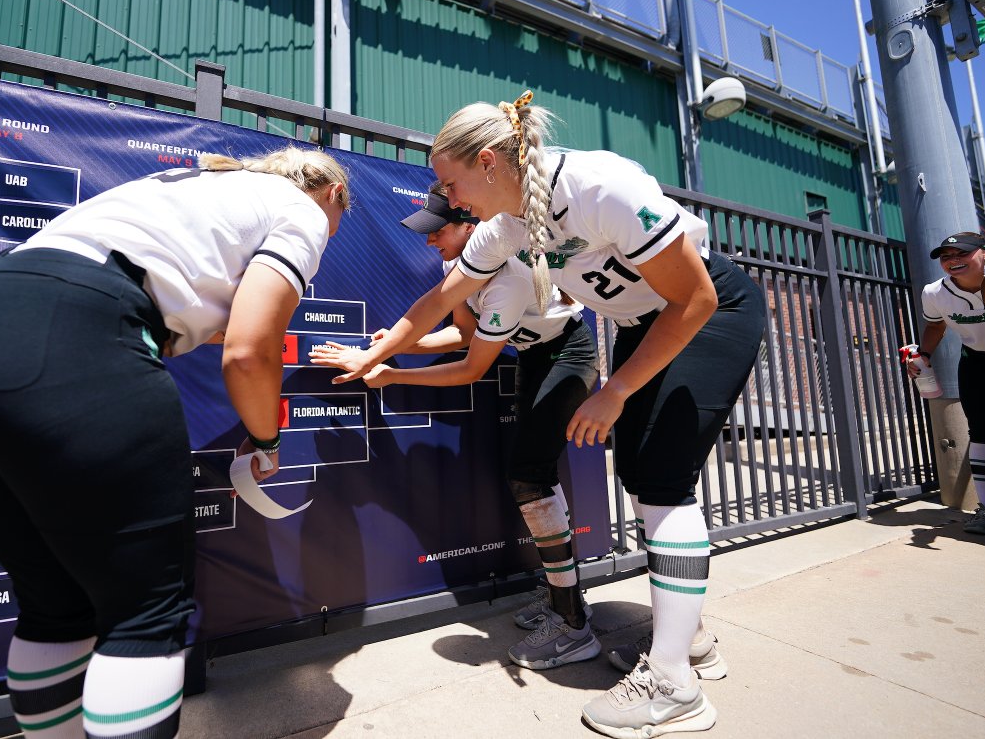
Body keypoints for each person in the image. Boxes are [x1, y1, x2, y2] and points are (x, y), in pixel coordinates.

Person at [311, 91, 765, 738]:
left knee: (662, 480)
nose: (447, 197)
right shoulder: (508, 229)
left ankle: (673, 686)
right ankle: (687, 640)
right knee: (641, 476)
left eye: (449, 183)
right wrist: (371, 353)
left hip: (708, 310)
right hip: (645, 323)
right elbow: (438, 303)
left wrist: (615, 391)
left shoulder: (595, 185)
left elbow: (695, 297)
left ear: (490, 161)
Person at [0, 148, 351, 738]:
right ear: (328, 195)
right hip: (75, 329)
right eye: (334, 226)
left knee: (56, 609)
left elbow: (193, 307)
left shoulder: (197, 188)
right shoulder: (305, 210)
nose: (329, 236)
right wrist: (266, 437)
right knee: (144, 616)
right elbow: (248, 349)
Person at [356, 184, 600, 669]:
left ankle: (574, 625)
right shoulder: (459, 266)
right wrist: (397, 345)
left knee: (529, 478)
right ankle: (561, 598)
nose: (429, 242)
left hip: (569, 354)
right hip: (535, 356)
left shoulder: (506, 276)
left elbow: (471, 368)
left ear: (471, 227)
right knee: (534, 478)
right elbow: (465, 336)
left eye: (438, 231)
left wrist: (392, 371)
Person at [916, 230, 985, 535]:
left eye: (962, 253)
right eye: (946, 257)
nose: (953, 261)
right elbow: (935, 325)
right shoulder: (935, 293)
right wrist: (924, 354)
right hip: (978, 362)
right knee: (982, 433)